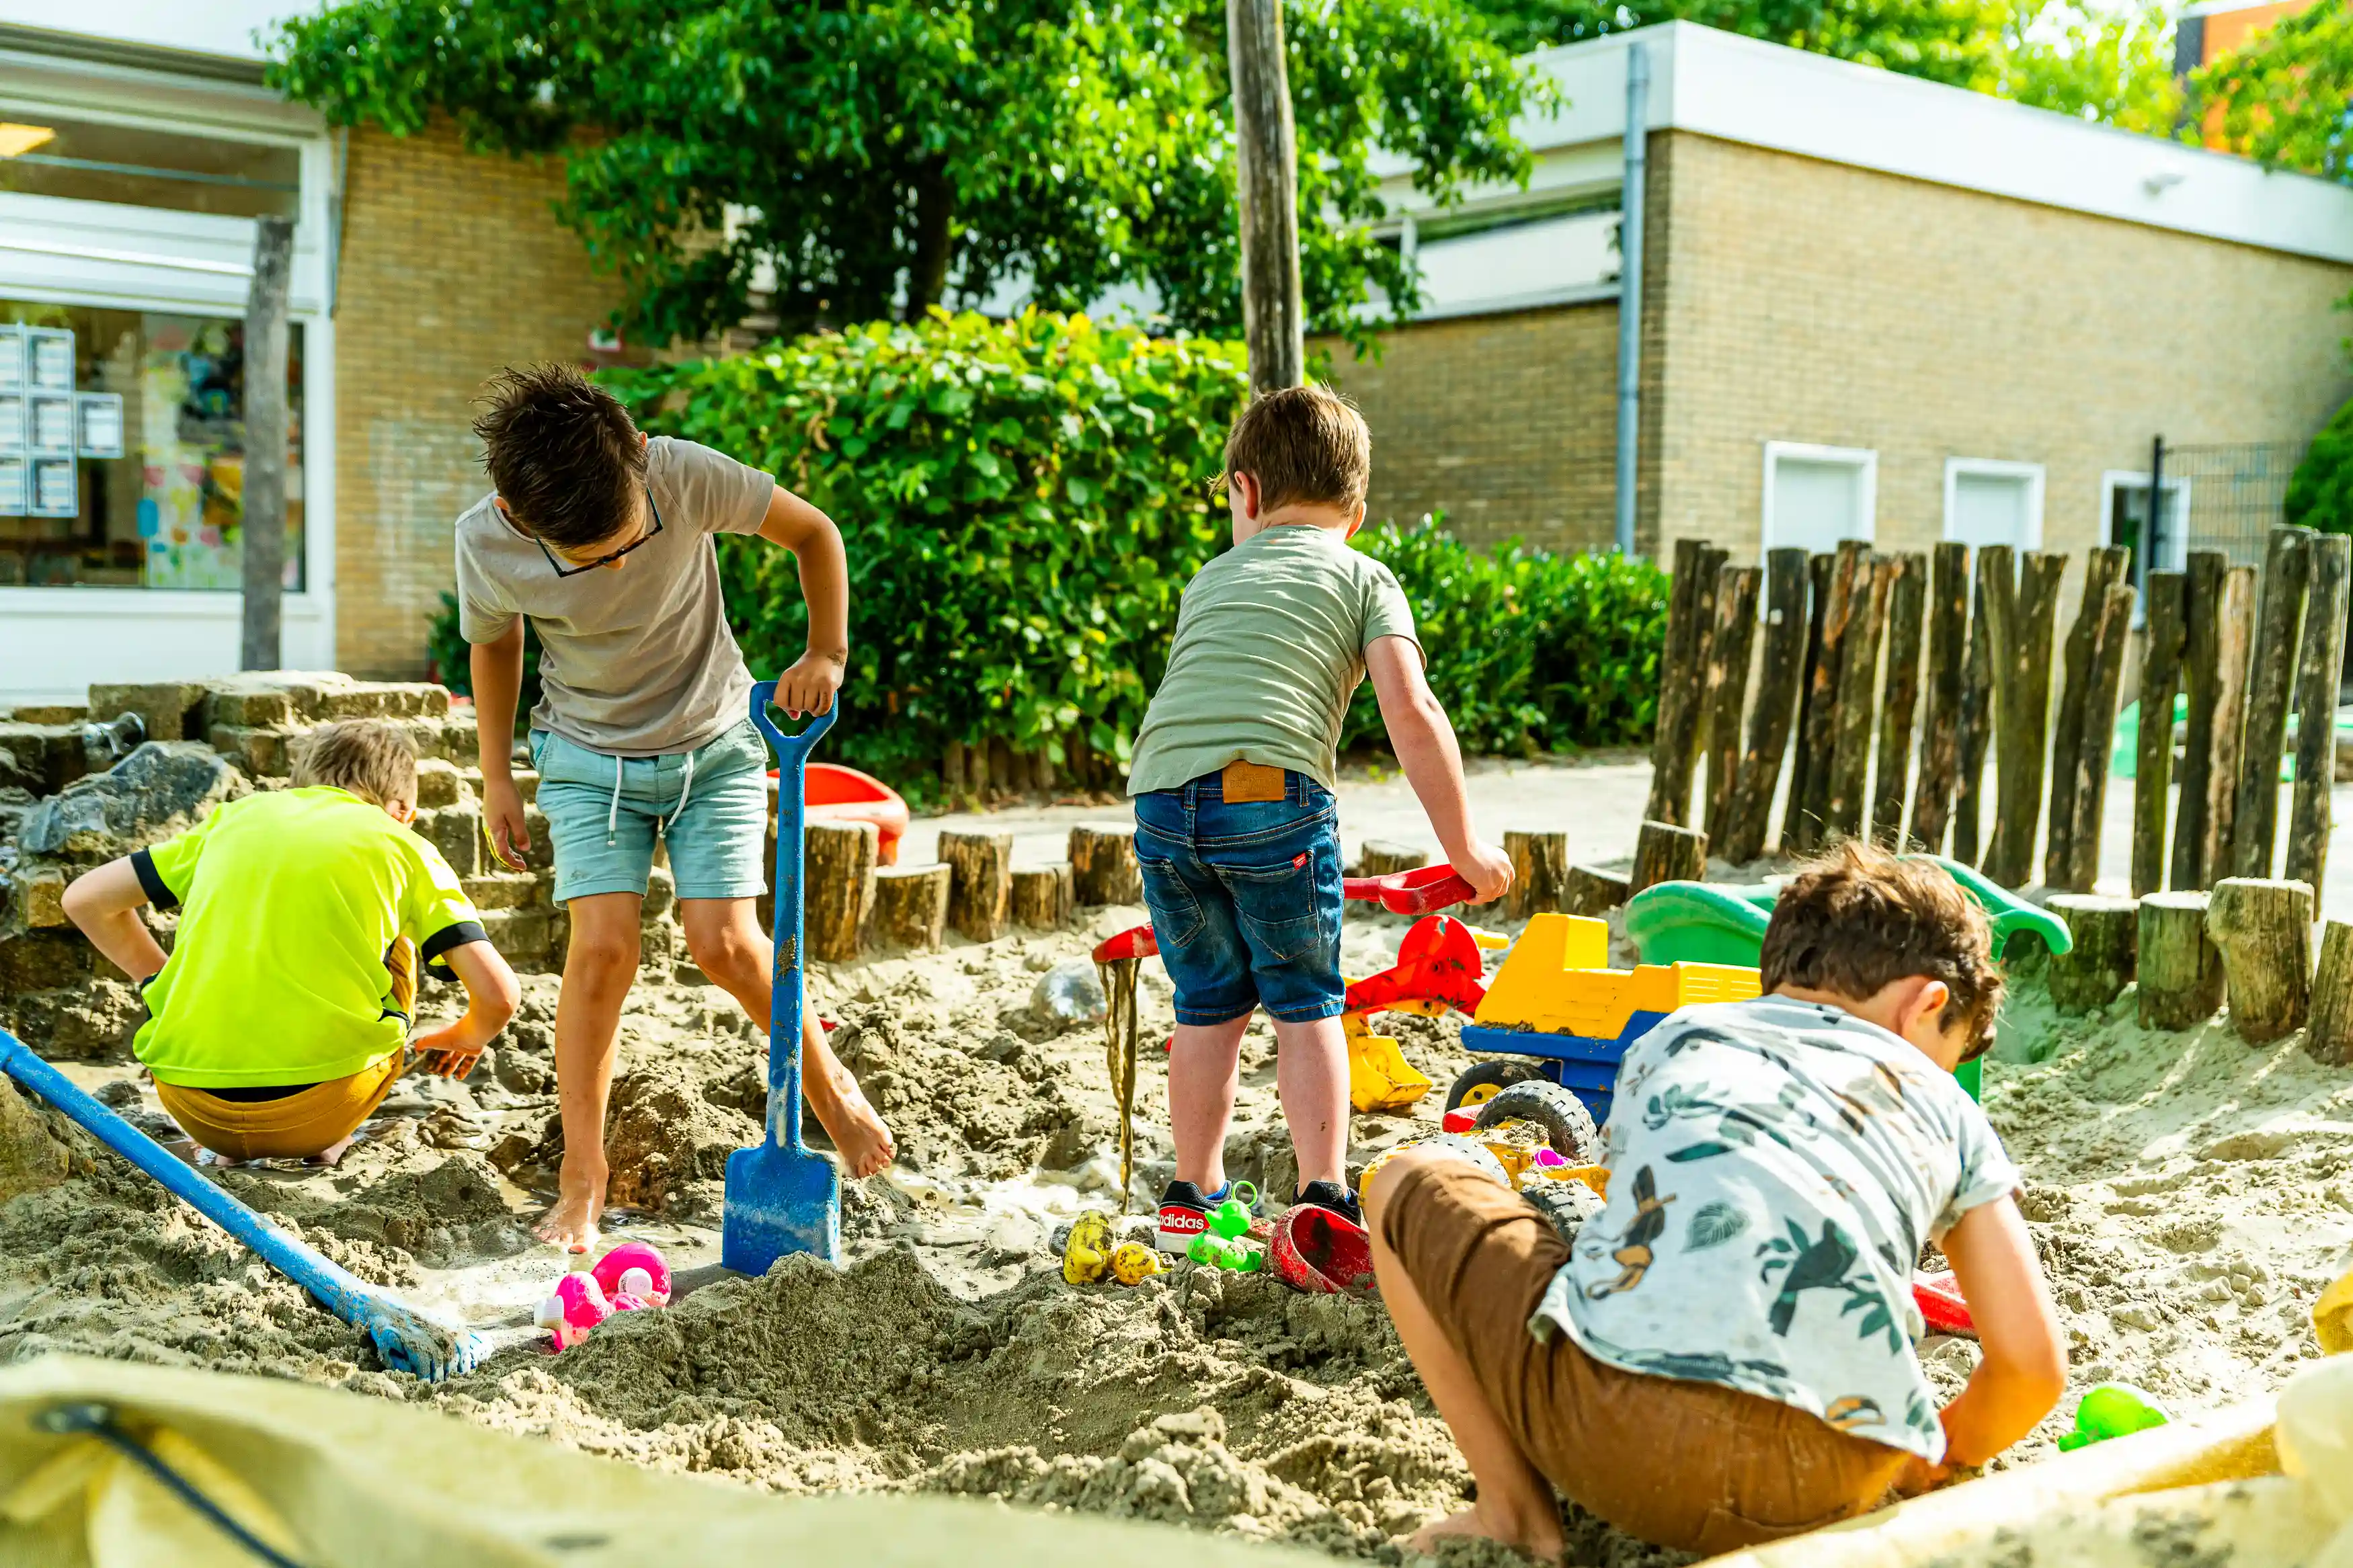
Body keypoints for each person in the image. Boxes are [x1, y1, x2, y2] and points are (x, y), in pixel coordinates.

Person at [1363, 841, 2067, 1559]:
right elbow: (2031, 1366)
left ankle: (1513, 1511)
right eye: (1948, 1051)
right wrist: (1935, 1454)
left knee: (1403, 1175)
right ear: (1927, 1005)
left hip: (1612, 1448)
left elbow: (1621, 1221)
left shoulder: (1675, 1036)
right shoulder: (1944, 1105)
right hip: (1832, 1478)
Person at [455, 363, 893, 1252]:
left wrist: (829, 653)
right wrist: (495, 773)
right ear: (515, 515)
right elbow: (495, 644)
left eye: (627, 539)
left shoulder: (681, 473)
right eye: (594, 558)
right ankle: (583, 1177)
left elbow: (814, 532)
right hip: (585, 758)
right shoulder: (486, 541)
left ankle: (834, 1094)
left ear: (638, 456)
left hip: (714, 742)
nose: (619, 562)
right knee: (602, 953)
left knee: (723, 942)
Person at [1127, 383, 1513, 1253]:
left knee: (1206, 1005)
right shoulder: (1365, 575)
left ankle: (1192, 1188)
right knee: (1305, 1002)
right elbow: (1411, 711)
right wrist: (1466, 847)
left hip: (1158, 797)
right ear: (1359, 513)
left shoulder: (1210, 577)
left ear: (1247, 493)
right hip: (1270, 797)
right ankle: (1322, 1192)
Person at [62, 719, 520, 1168]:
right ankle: (338, 1137)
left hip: (195, 1110)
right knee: (401, 934)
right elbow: (499, 996)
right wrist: (470, 1033)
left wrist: (159, 981)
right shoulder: (405, 843)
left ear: (299, 784)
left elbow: (84, 899)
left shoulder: (233, 819)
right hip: (318, 1114)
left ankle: (235, 1139)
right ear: (402, 808)